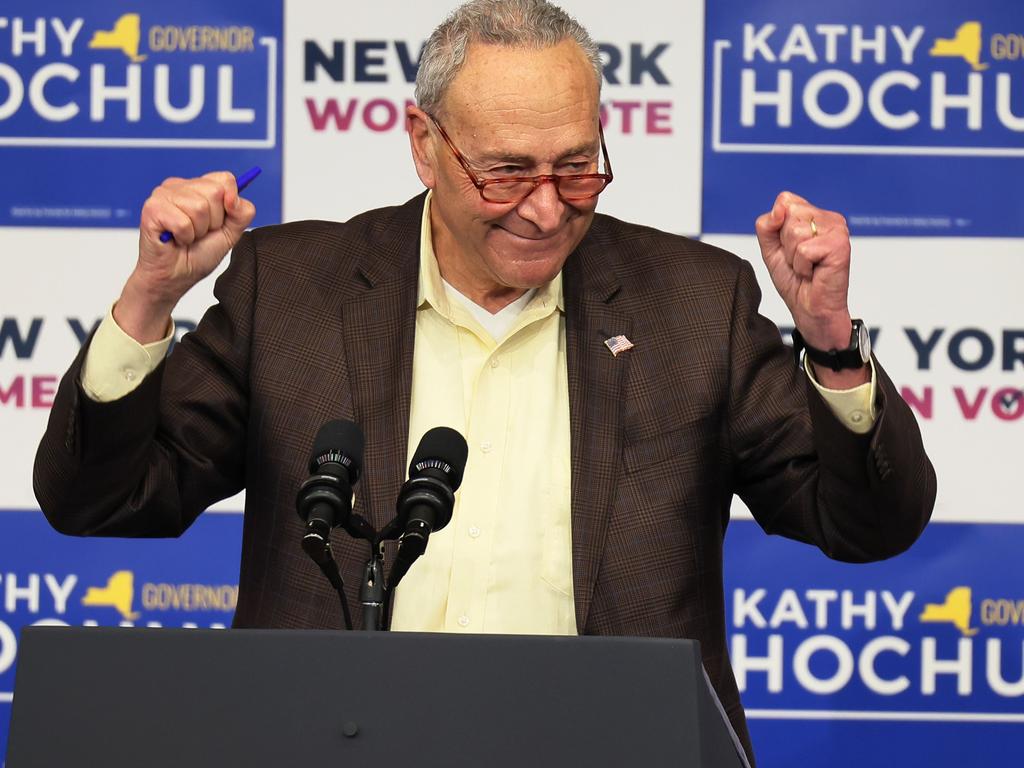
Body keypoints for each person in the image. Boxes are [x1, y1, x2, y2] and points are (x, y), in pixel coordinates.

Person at [34, 0, 935, 762]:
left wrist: (829, 341)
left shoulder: (695, 303)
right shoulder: (294, 289)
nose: (546, 207)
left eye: (577, 166)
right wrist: (148, 303)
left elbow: (866, 526)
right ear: (424, 145)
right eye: (507, 171)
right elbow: (103, 500)